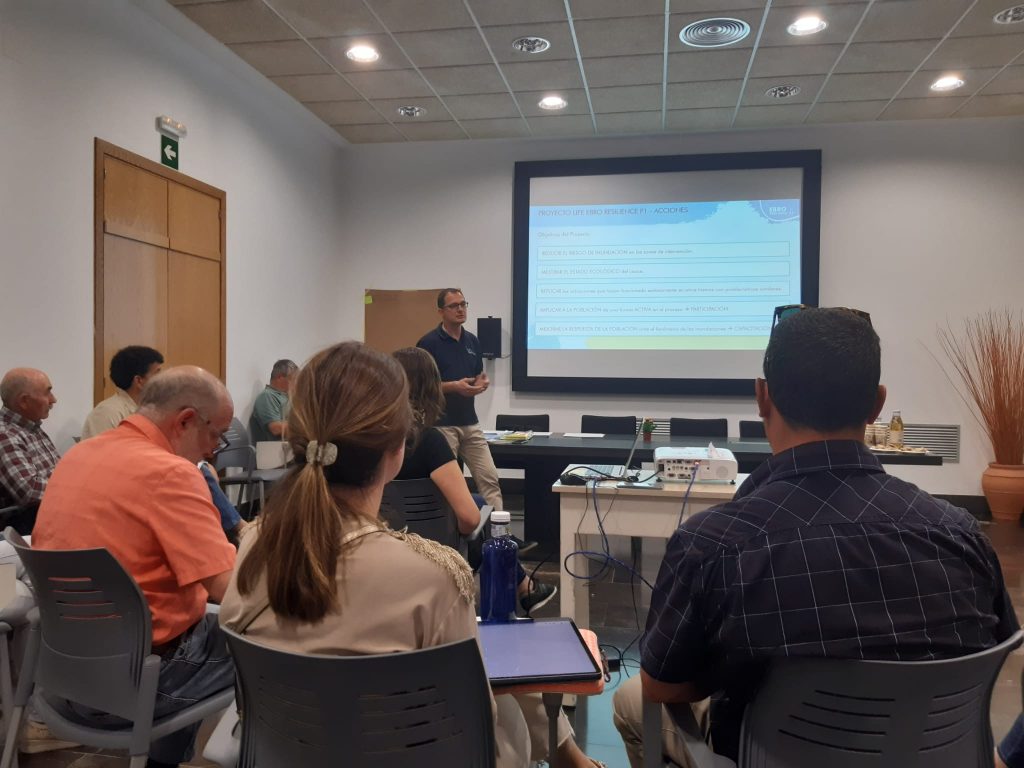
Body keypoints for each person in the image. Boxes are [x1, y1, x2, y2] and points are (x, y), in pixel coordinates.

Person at [613, 306, 1019, 768]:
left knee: (631, 699)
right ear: (877, 404)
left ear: (762, 398)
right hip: (930, 754)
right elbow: (996, 647)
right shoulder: (961, 534)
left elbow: (662, 685)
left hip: (768, 755)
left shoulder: (714, 545)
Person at [219, 342, 602, 768]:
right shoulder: (434, 576)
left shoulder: (251, 546)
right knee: (509, 698)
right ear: (398, 447)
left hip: (281, 754)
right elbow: (472, 717)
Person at [33, 366, 238, 768]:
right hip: (143, 682)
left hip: (63, 675)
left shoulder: (79, 454)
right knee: (270, 642)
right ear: (185, 421)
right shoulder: (172, 473)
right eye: (216, 434)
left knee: (195, 625)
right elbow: (229, 591)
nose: (214, 450)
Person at [392, 347, 555, 615]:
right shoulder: (430, 442)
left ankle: (525, 585)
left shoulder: (372, 441)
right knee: (483, 517)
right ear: (431, 388)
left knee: (481, 504)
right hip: (434, 550)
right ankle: (521, 589)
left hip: (384, 545)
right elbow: (468, 520)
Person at [416, 289, 503, 512]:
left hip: (470, 423)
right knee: (448, 486)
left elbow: (477, 375)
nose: (460, 309)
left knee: (489, 478)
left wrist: (481, 383)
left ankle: (498, 533)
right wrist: (453, 387)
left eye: (463, 304)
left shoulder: (472, 341)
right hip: (442, 425)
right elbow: (421, 386)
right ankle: (452, 537)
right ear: (440, 312)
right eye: (454, 306)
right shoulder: (428, 343)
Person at [0, 368, 59, 522]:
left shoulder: (32, 428)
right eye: (48, 393)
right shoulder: (5, 435)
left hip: (49, 512)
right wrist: (78, 490)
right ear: (24, 401)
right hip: (24, 524)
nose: (53, 400)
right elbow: (31, 492)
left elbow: (60, 470)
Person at [81, 345, 164, 439]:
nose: (163, 378)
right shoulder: (107, 413)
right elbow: (101, 452)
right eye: (157, 373)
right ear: (139, 381)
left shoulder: (153, 410)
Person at [248, 359, 296, 443]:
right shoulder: (267, 396)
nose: (295, 383)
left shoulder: (287, 396)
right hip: (272, 451)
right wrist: (305, 427)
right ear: (280, 377)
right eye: (293, 379)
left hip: (288, 448)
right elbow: (276, 428)